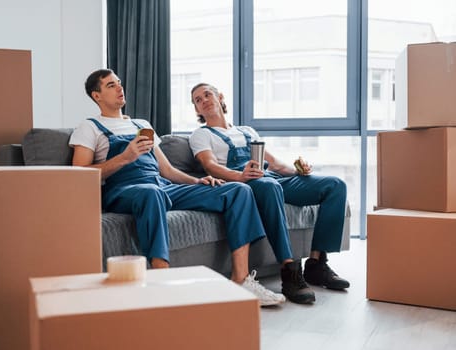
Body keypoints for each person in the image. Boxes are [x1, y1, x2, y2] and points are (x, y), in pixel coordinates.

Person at [69, 69, 285, 306]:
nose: (120, 88)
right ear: (96, 96)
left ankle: (241, 279)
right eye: (111, 85)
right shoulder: (89, 127)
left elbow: (168, 171)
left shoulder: (141, 124)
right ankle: (162, 282)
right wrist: (125, 157)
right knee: (151, 194)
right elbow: (80, 174)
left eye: (119, 83)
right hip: (125, 189)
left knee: (238, 190)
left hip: (162, 186)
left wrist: (198, 181)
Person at [189, 82, 350, 304]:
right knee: (270, 186)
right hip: (243, 183)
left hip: (268, 179)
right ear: (197, 110)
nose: (204, 100)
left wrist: (298, 171)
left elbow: (272, 163)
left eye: (207, 94)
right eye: (198, 100)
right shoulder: (201, 135)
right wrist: (240, 176)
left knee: (335, 185)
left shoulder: (247, 131)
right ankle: (289, 270)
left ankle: (316, 264)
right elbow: (210, 166)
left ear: (220, 97)